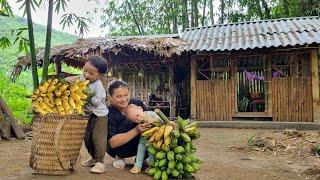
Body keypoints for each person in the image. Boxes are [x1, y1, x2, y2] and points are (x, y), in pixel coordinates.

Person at [66, 55, 109, 174]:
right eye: (85, 70)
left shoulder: (98, 86)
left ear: (100, 75)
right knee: (87, 137)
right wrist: (67, 79)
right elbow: (73, 79)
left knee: (97, 138)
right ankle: (92, 158)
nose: (86, 75)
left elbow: (96, 102)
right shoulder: (82, 78)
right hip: (86, 115)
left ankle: (100, 162)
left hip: (100, 116)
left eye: (91, 73)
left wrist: (86, 94)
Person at [106, 80, 153, 169]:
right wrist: (137, 130)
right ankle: (119, 157)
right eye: (119, 96)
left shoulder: (137, 104)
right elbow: (112, 143)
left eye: (126, 95)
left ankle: (142, 157)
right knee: (127, 122)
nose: (124, 99)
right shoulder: (109, 112)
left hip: (141, 143)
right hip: (119, 149)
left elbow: (151, 116)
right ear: (110, 97)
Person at [123, 104, 162, 173]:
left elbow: (161, 121)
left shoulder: (151, 114)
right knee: (140, 152)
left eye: (138, 115)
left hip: (152, 139)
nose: (138, 119)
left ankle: (151, 166)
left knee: (151, 153)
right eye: (135, 120)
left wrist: (153, 120)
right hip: (143, 139)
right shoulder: (138, 122)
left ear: (140, 108)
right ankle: (137, 166)